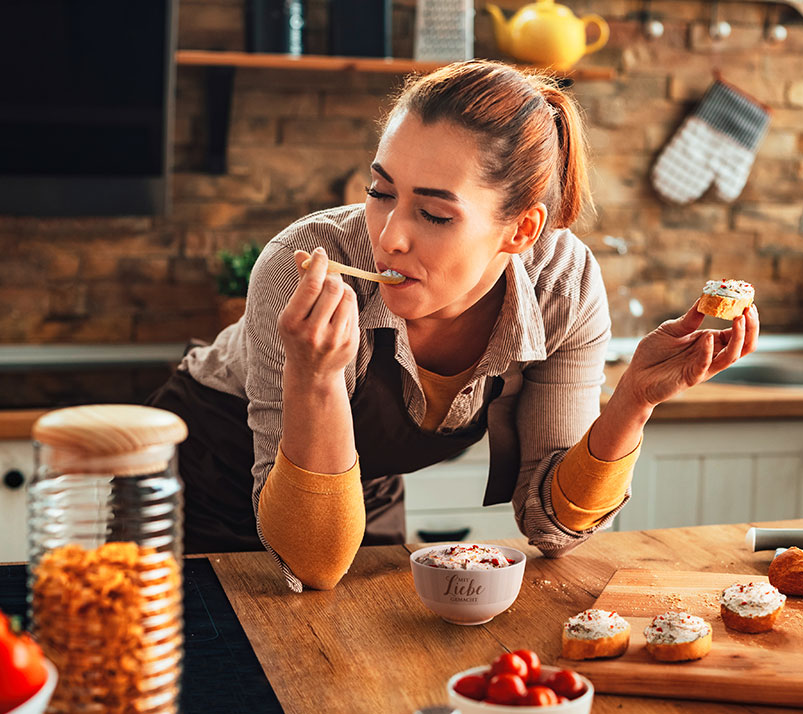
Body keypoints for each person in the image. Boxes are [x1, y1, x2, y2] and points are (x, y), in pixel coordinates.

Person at [149, 60, 759, 591]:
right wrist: (314, 378)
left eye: (435, 214)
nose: (389, 237)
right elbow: (309, 564)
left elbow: (551, 526)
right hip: (211, 470)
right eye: (380, 191)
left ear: (521, 230)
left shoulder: (561, 287)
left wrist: (630, 402)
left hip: (360, 482)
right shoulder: (301, 263)